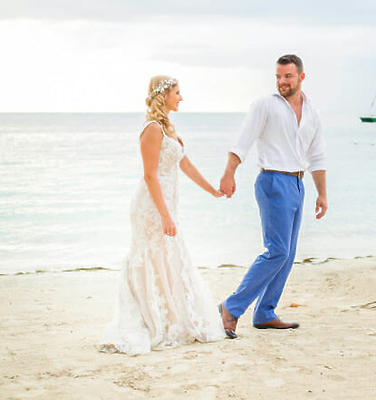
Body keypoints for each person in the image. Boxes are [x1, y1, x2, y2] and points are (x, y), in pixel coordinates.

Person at [98, 75, 225, 355]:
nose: (181, 98)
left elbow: (186, 165)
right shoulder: (152, 129)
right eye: (178, 92)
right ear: (164, 94)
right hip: (151, 207)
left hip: (167, 206)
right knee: (153, 259)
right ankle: (151, 321)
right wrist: (165, 216)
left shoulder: (170, 128)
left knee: (170, 260)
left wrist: (212, 190)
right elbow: (150, 176)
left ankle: (171, 319)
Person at [218, 54, 327, 339]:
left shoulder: (312, 112)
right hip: (272, 180)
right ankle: (231, 307)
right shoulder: (265, 105)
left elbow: (316, 155)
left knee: (288, 255)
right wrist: (229, 173)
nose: (282, 82)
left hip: (298, 183)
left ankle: (265, 312)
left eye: (287, 76)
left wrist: (322, 193)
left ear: (301, 77)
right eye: (278, 77)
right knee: (276, 250)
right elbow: (241, 142)